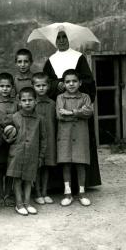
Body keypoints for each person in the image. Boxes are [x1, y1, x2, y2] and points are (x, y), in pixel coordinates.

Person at [42, 30, 101, 188]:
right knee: (62, 147)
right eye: (58, 37)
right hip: (60, 107)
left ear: (70, 39)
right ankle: (60, 185)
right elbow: (44, 82)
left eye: (64, 37)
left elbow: (88, 81)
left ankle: (82, 184)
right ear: (54, 40)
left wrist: (74, 87)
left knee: (80, 148)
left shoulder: (79, 57)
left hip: (78, 105)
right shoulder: (51, 60)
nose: (61, 40)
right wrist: (56, 85)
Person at [56, 69, 95, 207]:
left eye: (74, 81)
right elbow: (60, 115)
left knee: (80, 163)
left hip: (80, 134)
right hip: (65, 135)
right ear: (63, 84)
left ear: (80, 83)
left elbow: (89, 112)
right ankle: (68, 193)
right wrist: (79, 114)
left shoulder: (85, 97)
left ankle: (82, 193)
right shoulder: (60, 98)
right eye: (67, 81)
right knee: (66, 163)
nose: (71, 84)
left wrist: (71, 112)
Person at [6, 87, 46, 216]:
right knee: (17, 179)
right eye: (24, 100)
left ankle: (27, 202)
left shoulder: (40, 119)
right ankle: (19, 204)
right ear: (19, 102)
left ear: (35, 101)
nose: (27, 102)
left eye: (30, 100)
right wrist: (8, 137)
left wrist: (40, 157)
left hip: (32, 154)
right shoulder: (14, 117)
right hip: (17, 153)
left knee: (29, 179)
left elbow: (43, 139)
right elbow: (5, 133)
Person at [0, 72, 18, 207]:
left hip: (14, 140)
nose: (5, 89)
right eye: (2, 86)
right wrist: (2, 137)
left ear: (12, 87)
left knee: (10, 168)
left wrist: (14, 135)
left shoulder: (16, 103)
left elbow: (19, 121)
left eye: (8, 86)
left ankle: (8, 194)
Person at [32, 72, 57, 205]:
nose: (41, 88)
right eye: (38, 85)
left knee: (47, 165)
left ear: (48, 86)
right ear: (33, 86)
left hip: (49, 138)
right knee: (37, 166)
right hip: (35, 140)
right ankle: (37, 193)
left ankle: (45, 192)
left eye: (44, 85)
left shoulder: (52, 103)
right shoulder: (31, 103)